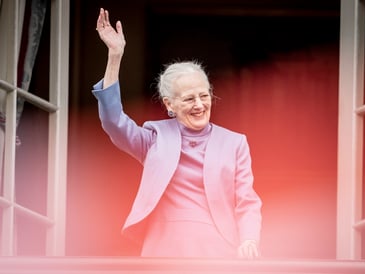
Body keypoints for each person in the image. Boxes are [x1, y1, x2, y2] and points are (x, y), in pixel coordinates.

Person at [93, 8, 262, 259]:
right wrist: (115, 56)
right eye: (189, 98)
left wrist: (249, 239)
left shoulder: (235, 143)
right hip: (164, 251)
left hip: (218, 252)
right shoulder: (155, 138)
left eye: (204, 96)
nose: (199, 104)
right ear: (169, 104)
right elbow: (113, 122)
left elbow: (246, 200)